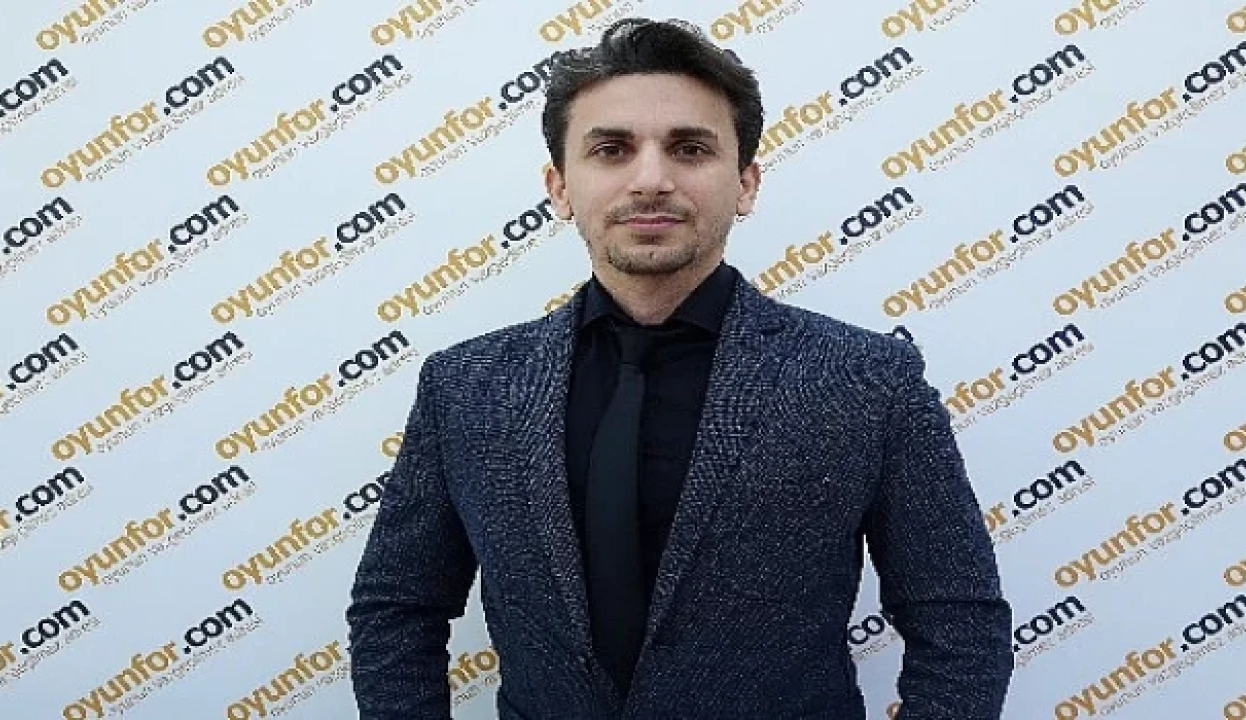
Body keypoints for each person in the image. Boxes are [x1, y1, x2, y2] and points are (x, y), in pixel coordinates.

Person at [346, 17, 1013, 720]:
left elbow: (959, 622)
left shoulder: (869, 380)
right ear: (560, 187)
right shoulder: (466, 387)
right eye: (611, 149)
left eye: (690, 149)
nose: (652, 180)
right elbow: (397, 608)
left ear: (745, 183)